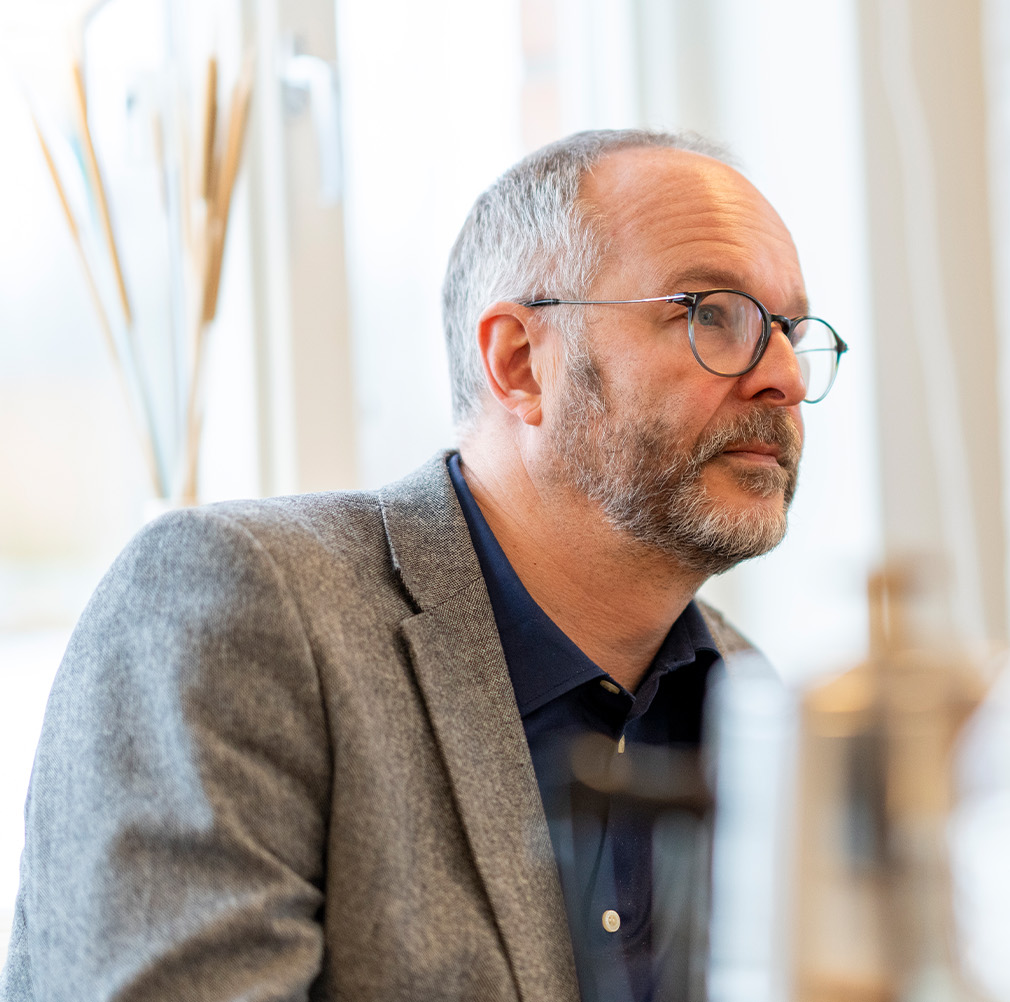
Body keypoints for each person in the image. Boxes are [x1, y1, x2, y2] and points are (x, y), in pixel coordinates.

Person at [1, 129, 847, 1002]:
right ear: (521, 364)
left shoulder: (756, 700)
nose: (782, 374)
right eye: (713, 312)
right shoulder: (236, 604)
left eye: (789, 330)